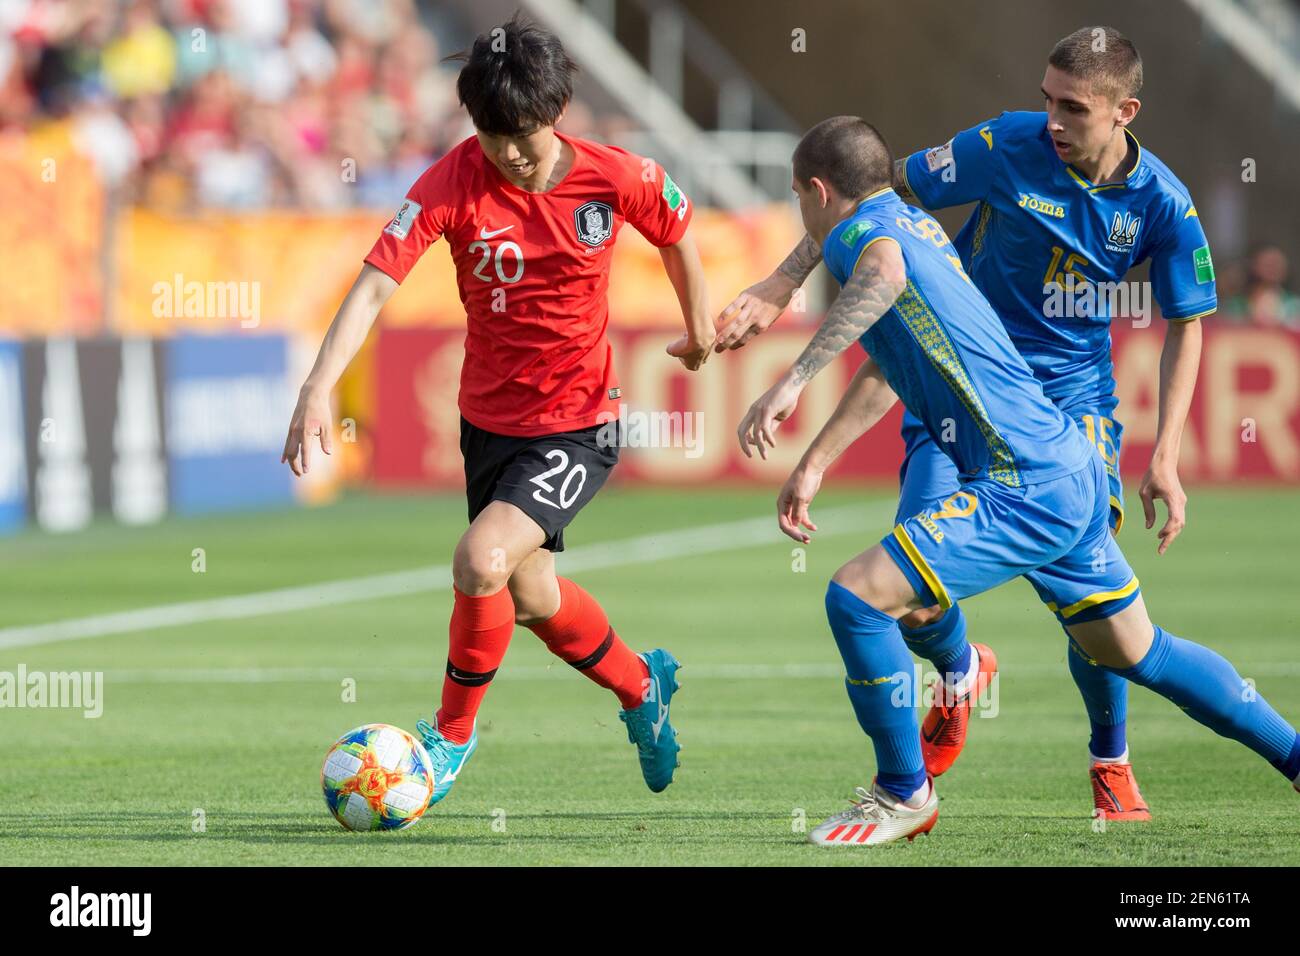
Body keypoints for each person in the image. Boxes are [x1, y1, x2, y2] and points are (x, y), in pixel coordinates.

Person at [736, 115, 1298, 846]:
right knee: (1138, 650)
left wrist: (791, 380)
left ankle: (904, 792)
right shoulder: (909, 221)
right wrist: (814, 458)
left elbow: (880, 274)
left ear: (815, 192)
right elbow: (896, 359)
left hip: (1020, 479)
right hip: (1065, 467)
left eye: (795, 195)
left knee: (856, 598)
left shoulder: (865, 239)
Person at [282, 15, 713, 806]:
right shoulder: (449, 182)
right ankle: (638, 685)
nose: (510, 152)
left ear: (557, 111)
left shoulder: (616, 176)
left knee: (481, 560)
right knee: (531, 596)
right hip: (488, 425)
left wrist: (701, 328)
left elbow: (677, 231)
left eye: (524, 133)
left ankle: (448, 739)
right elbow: (377, 281)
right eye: (492, 134)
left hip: (578, 422)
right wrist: (317, 386)